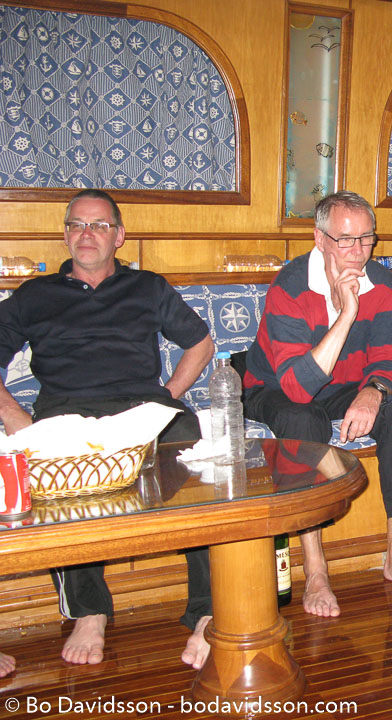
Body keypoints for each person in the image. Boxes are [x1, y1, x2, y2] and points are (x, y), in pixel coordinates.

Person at [0, 189, 216, 671]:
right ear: (65, 235)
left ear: (118, 236)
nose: (87, 234)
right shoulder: (34, 295)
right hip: (67, 413)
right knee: (58, 475)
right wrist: (15, 417)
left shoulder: (147, 287)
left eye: (99, 225)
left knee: (197, 460)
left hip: (141, 409)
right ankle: (89, 610)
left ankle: (206, 610)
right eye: (77, 224)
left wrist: (168, 396)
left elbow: (200, 343)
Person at [243, 190, 392, 618]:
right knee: (303, 420)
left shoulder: (383, 283)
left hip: (344, 384)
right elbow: (298, 387)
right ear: (320, 239)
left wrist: (374, 392)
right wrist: (346, 313)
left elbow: (387, 360)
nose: (358, 251)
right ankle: (316, 569)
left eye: (366, 238)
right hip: (275, 387)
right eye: (345, 239)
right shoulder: (290, 287)